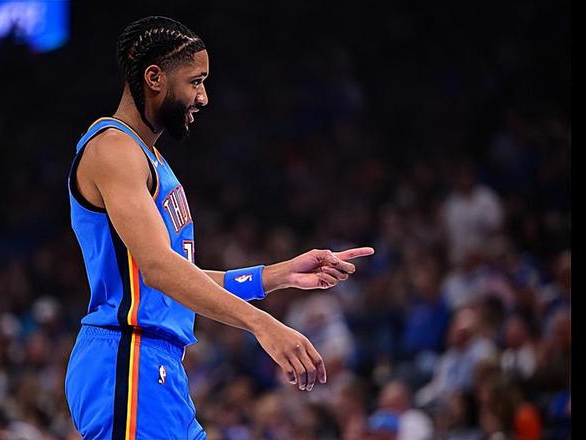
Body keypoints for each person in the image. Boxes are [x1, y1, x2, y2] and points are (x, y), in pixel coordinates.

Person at [63, 16, 374, 439]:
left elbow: (175, 276)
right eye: (195, 81)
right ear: (154, 78)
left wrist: (277, 275)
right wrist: (262, 324)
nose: (204, 97)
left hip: (156, 365)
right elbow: (159, 268)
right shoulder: (114, 149)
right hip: (127, 358)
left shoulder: (148, 158)